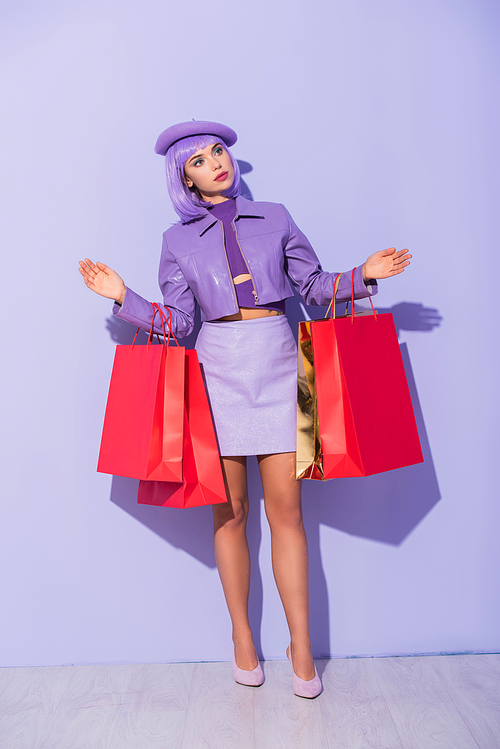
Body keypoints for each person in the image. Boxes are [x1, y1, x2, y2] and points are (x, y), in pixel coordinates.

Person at [79, 120, 411, 699]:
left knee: (287, 512)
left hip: (280, 361)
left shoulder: (276, 217)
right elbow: (180, 325)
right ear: (184, 178)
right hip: (217, 370)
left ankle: (301, 648)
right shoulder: (176, 242)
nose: (217, 163)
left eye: (220, 152)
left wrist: (364, 275)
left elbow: (311, 286)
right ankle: (243, 641)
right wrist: (122, 297)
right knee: (229, 514)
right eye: (201, 160)